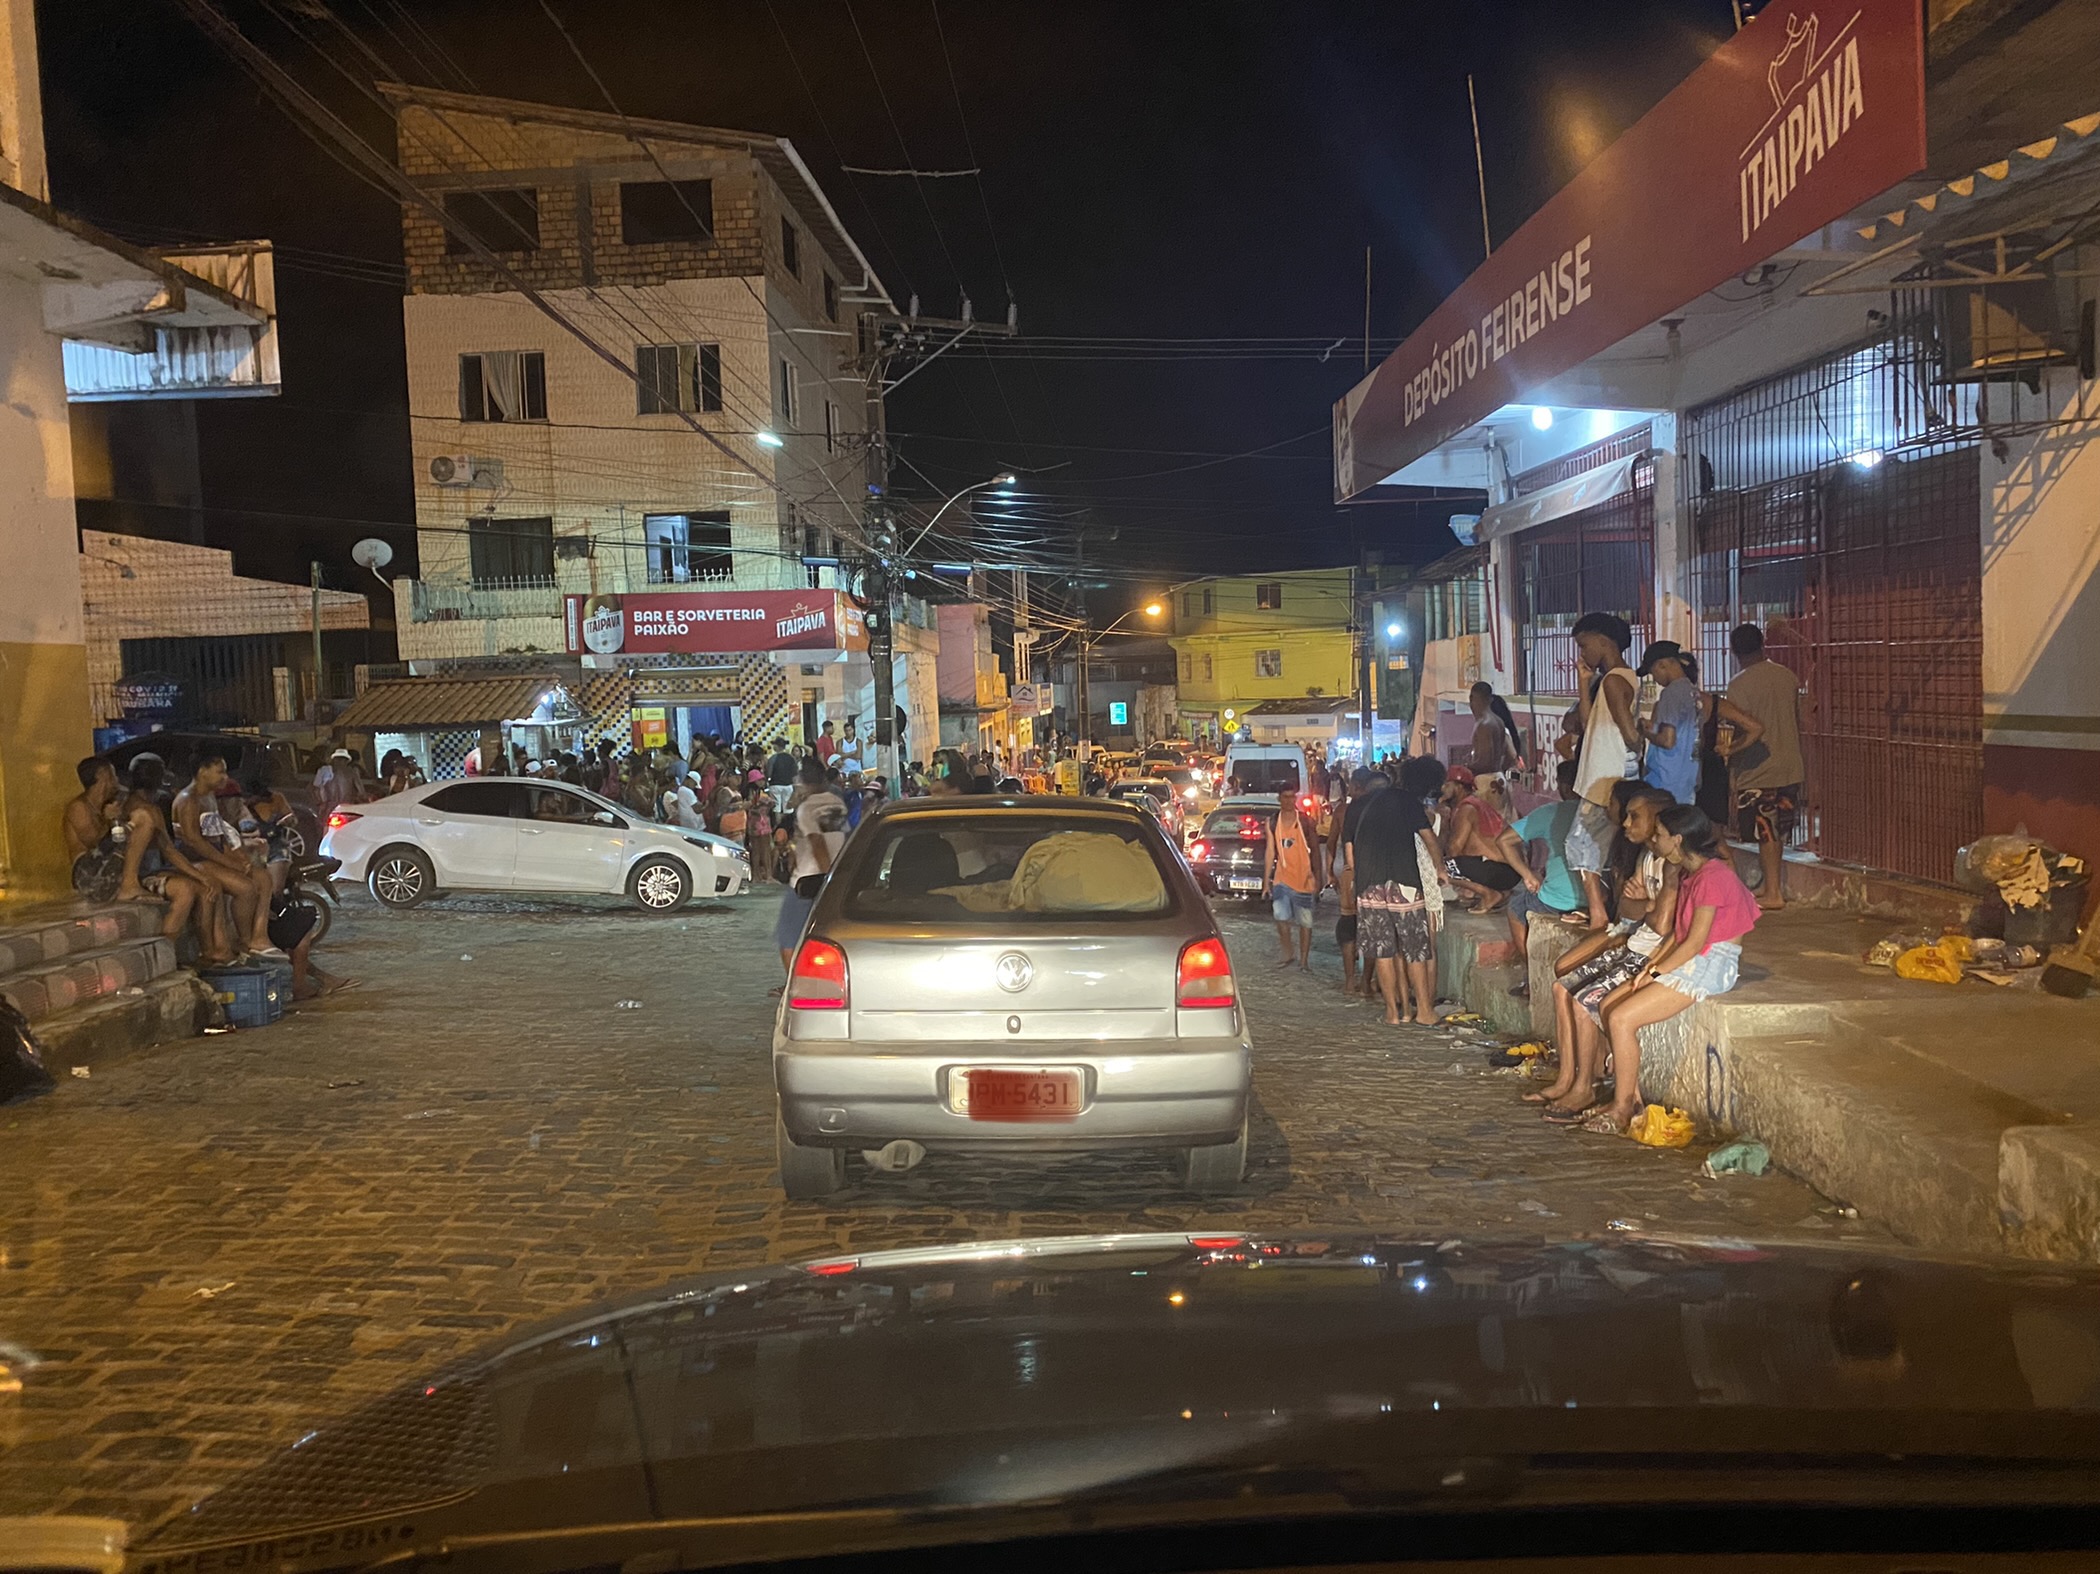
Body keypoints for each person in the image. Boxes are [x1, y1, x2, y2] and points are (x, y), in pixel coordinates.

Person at [1582, 804, 1761, 1135]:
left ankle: (1621, 1109)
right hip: (1690, 954)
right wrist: (1651, 966)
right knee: (1608, 1005)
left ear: (1678, 839)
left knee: (1621, 1018)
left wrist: (1654, 972)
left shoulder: (1714, 877)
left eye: (1660, 834)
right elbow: (1678, 934)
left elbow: (1694, 943)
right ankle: (1629, 1099)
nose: (1655, 839)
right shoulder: (1690, 872)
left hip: (1711, 962)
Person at [1531, 786, 1677, 1119]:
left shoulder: (1672, 865)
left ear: (1657, 819)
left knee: (1584, 1001)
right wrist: (1647, 906)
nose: (1625, 822)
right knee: (1561, 985)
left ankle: (1585, 1084)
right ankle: (1570, 1076)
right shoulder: (1646, 856)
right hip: (1635, 937)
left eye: (1634, 816)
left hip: (1647, 949)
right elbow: (1628, 906)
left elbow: (1662, 922)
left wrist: (1646, 906)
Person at [1350, 765, 1443, 1027]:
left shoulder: (1359, 805)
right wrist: (1440, 869)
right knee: (1416, 950)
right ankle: (1424, 1012)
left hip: (1368, 885)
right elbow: (1429, 839)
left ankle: (1392, 1013)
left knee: (1382, 952)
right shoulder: (1407, 802)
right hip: (1404, 883)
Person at [112, 755, 228, 964]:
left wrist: (201, 877)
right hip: (144, 876)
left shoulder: (126, 805)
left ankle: (210, 951)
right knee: (189, 890)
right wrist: (201, 876)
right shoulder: (149, 811)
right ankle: (167, 952)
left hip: (145, 872)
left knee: (206, 887)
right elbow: (170, 851)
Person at [1723, 621, 1804, 910]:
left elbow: (1741, 730)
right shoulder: (1787, 676)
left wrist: (1731, 762)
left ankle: (1772, 892)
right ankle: (1772, 886)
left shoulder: (1738, 685)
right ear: (1763, 644)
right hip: (1790, 764)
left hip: (1758, 768)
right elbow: (1799, 718)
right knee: (1777, 830)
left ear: (1734, 651)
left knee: (1764, 830)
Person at [1567, 612, 1640, 931]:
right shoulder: (1613, 678)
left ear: (1602, 641)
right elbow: (1586, 723)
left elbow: (1629, 734)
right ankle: (1607, 910)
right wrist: (1584, 684)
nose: (1582, 654)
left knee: (1580, 843)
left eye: (1584, 646)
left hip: (1605, 776)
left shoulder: (1613, 680)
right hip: (1605, 774)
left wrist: (1642, 741)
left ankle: (1598, 912)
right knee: (1606, 847)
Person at [173, 755, 279, 959]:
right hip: (194, 862)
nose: (225, 777)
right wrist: (229, 863)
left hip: (212, 858)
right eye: (220, 771)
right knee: (246, 889)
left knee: (263, 879)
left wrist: (239, 857)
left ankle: (259, 936)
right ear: (203, 771)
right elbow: (195, 842)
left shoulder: (209, 797)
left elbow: (216, 837)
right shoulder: (189, 799)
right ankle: (245, 940)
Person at [1501, 760, 1585, 993]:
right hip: (1599, 898)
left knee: (1516, 907)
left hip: (1558, 900)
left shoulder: (1551, 812)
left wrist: (1528, 875)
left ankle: (1531, 977)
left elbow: (1504, 840)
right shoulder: (1601, 813)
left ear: (1565, 787)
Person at [774, 760, 848, 983]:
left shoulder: (806, 809)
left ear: (804, 783)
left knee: (787, 937)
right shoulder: (837, 803)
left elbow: (817, 844)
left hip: (808, 880)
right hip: (837, 873)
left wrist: (827, 881)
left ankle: (794, 985)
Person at [1441, 765, 1520, 912]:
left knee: (1436, 867)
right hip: (1509, 871)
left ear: (1458, 787)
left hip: (1499, 870)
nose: (1443, 788)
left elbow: (1454, 849)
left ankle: (1488, 893)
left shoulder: (1467, 808)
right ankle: (1497, 892)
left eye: (1447, 784)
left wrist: (1444, 824)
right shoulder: (1476, 803)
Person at [1263, 788, 1325, 972]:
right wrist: (1266, 881)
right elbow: (1270, 851)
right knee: (1280, 917)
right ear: (1279, 798)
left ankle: (1304, 960)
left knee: (1305, 922)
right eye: (1286, 797)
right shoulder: (1273, 822)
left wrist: (1318, 877)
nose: (1290, 801)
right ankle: (1288, 951)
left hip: (1304, 879)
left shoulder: (1305, 822)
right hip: (1281, 879)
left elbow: (1315, 850)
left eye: (1292, 797)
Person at [1635, 640, 1700, 807]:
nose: (1655, 679)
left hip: (1664, 780)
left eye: (1653, 672)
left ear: (1662, 665)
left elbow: (1667, 740)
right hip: (1686, 780)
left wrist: (1644, 731)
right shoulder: (1692, 691)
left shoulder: (1670, 693)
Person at [64, 755, 121, 863]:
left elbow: (120, 838)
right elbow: (93, 842)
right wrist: (107, 820)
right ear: (103, 775)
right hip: (89, 870)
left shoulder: (109, 804)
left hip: (112, 863)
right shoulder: (78, 807)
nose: (117, 779)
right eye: (113, 774)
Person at [1465, 681, 1527, 779]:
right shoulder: (1498, 723)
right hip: (1497, 776)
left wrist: (1468, 767)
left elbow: (1487, 761)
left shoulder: (1486, 724)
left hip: (1487, 779)